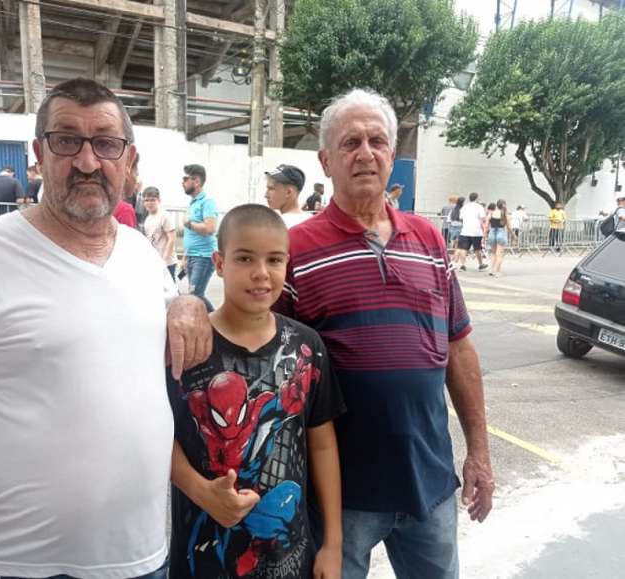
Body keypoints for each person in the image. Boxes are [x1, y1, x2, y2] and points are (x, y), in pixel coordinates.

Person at [0, 78, 210, 579]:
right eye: (66, 141)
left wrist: (189, 301)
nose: (87, 161)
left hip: (138, 562)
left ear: (127, 161)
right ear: (39, 153)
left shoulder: (142, 255)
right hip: (10, 564)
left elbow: (163, 319)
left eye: (105, 143)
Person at [273, 88, 494, 579]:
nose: (365, 153)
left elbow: (459, 349)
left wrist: (479, 453)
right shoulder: (294, 250)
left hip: (428, 486)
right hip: (340, 497)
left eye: (377, 141)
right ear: (326, 160)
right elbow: (253, 343)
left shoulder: (430, 239)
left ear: (393, 155)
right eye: (351, 142)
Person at [169, 204, 345, 579]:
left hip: (288, 560)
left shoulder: (305, 347)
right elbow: (156, 437)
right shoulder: (187, 347)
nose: (261, 274)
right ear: (218, 262)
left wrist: (333, 544)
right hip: (199, 562)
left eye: (274, 260)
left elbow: (322, 444)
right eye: (245, 258)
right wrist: (201, 490)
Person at [182, 163, 218, 312]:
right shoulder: (193, 203)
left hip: (203, 257)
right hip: (192, 256)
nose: (182, 182)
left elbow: (210, 228)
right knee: (195, 294)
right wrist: (186, 256)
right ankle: (214, 321)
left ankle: (216, 322)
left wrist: (189, 224)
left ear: (196, 181)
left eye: (185, 179)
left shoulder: (207, 202)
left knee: (194, 295)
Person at [142, 186, 177, 280]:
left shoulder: (164, 216)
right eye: (146, 200)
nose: (149, 203)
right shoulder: (148, 218)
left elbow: (172, 239)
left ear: (159, 200)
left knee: (170, 292)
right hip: (154, 262)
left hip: (167, 263)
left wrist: (163, 261)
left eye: (152, 200)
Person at [264, 163, 311, 228]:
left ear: (288, 192)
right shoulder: (311, 220)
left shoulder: (276, 225)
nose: (266, 195)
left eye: (271, 189)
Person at [455, 192, 488, 271]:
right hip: (476, 231)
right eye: (479, 198)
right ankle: (480, 264)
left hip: (465, 230)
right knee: (477, 249)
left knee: (464, 249)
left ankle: (463, 265)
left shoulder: (464, 207)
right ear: (476, 198)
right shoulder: (479, 207)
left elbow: (461, 218)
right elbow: (483, 218)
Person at [486, 199, 512, 278]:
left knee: (493, 253)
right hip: (501, 233)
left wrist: (484, 236)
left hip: (492, 232)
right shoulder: (505, 214)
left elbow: (486, 225)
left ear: (497, 205)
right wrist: (514, 236)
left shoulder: (491, 213)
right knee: (499, 254)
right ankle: (497, 272)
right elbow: (509, 227)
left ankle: (491, 270)